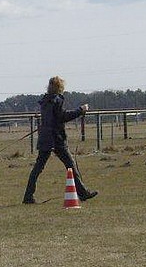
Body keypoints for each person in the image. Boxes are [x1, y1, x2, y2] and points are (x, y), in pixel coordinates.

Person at [23, 76, 98, 204]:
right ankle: (83, 193)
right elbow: (63, 117)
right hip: (56, 138)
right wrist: (80, 110)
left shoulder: (45, 101)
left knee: (38, 168)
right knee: (70, 164)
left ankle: (28, 196)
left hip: (45, 137)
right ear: (60, 87)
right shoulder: (57, 100)